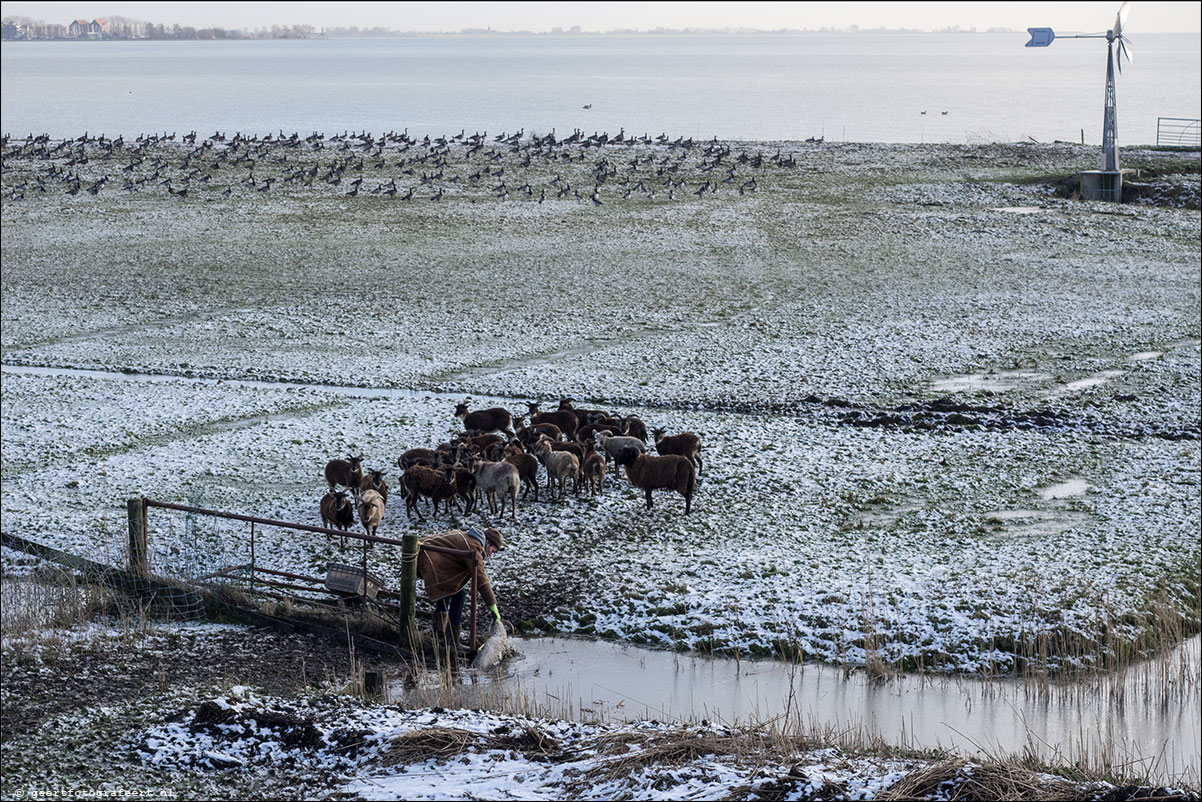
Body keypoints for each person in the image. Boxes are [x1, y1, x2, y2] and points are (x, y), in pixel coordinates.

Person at [416, 526, 502, 651]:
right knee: (459, 594)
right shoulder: (473, 547)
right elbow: (481, 578)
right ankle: (452, 641)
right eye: (492, 551)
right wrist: (493, 606)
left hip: (426, 555)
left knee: (449, 589)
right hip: (428, 560)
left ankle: (439, 633)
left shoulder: (469, 537)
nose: (490, 555)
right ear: (488, 542)